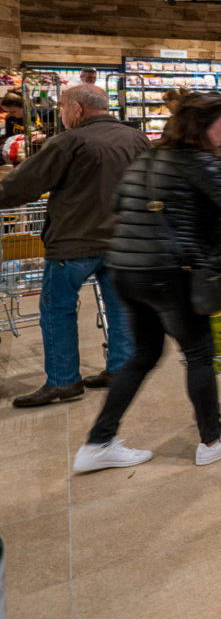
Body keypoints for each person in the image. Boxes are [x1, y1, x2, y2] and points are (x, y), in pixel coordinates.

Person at [71, 93, 221, 473]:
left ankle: (98, 443)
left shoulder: (149, 157)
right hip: (169, 271)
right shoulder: (201, 162)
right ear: (203, 126)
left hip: (126, 269)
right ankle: (212, 440)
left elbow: (119, 204)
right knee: (200, 353)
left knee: (143, 355)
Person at [0, 85, 149, 407]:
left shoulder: (69, 141)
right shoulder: (137, 138)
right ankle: (121, 369)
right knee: (120, 307)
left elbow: (24, 184)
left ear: (77, 109)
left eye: (62, 108)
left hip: (75, 241)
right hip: (123, 240)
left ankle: (63, 381)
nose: (61, 115)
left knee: (58, 309)